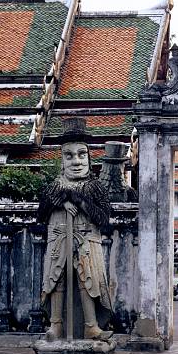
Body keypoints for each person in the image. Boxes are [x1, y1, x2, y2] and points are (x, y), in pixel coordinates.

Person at [38, 118, 113, 342]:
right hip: (59, 239)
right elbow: (40, 215)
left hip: (87, 240)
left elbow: (104, 219)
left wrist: (79, 199)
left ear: (89, 157)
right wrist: (61, 201)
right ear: (61, 159)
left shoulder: (95, 186)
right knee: (55, 279)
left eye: (82, 154)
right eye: (69, 155)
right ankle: (56, 326)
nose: (76, 161)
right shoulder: (54, 186)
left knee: (87, 280)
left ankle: (91, 326)